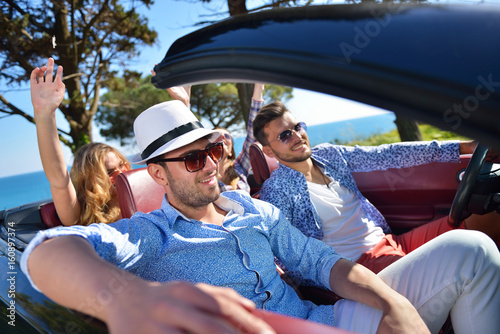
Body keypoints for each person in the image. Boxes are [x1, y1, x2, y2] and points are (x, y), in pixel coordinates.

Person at [21, 98, 500, 334]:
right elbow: (49, 249)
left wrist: (388, 302)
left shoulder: (253, 208)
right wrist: (123, 300)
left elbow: (320, 262)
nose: (210, 164)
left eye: (214, 149)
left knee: (471, 249)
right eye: (192, 159)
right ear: (159, 177)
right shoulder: (149, 234)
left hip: (323, 317)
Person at [253, 100, 500, 274]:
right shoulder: (276, 191)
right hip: (360, 267)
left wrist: (463, 148)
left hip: (391, 242)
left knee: (489, 221)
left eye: (298, 127)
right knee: (468, 257)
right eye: (285, 135)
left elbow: (387, 154)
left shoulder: (329, 154)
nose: (297, 136)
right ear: (268, 150)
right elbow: (281, 253)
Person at [31, 58, 131, 226]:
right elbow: (59, 180)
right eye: (109, 172)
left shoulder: (146, 193)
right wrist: (45, 114)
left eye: (122, 165)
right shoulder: (82, 216)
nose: (121, 174)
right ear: (90, 181)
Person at [166, 83, 264, 193]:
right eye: (217, 134)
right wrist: (184, 105)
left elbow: (253, 133)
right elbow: (190, 139)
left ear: (231, 152)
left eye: (227, 136)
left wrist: (259, 88)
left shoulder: (240, 167)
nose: (222, 136)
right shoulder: (203, 170)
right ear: (208, 146)